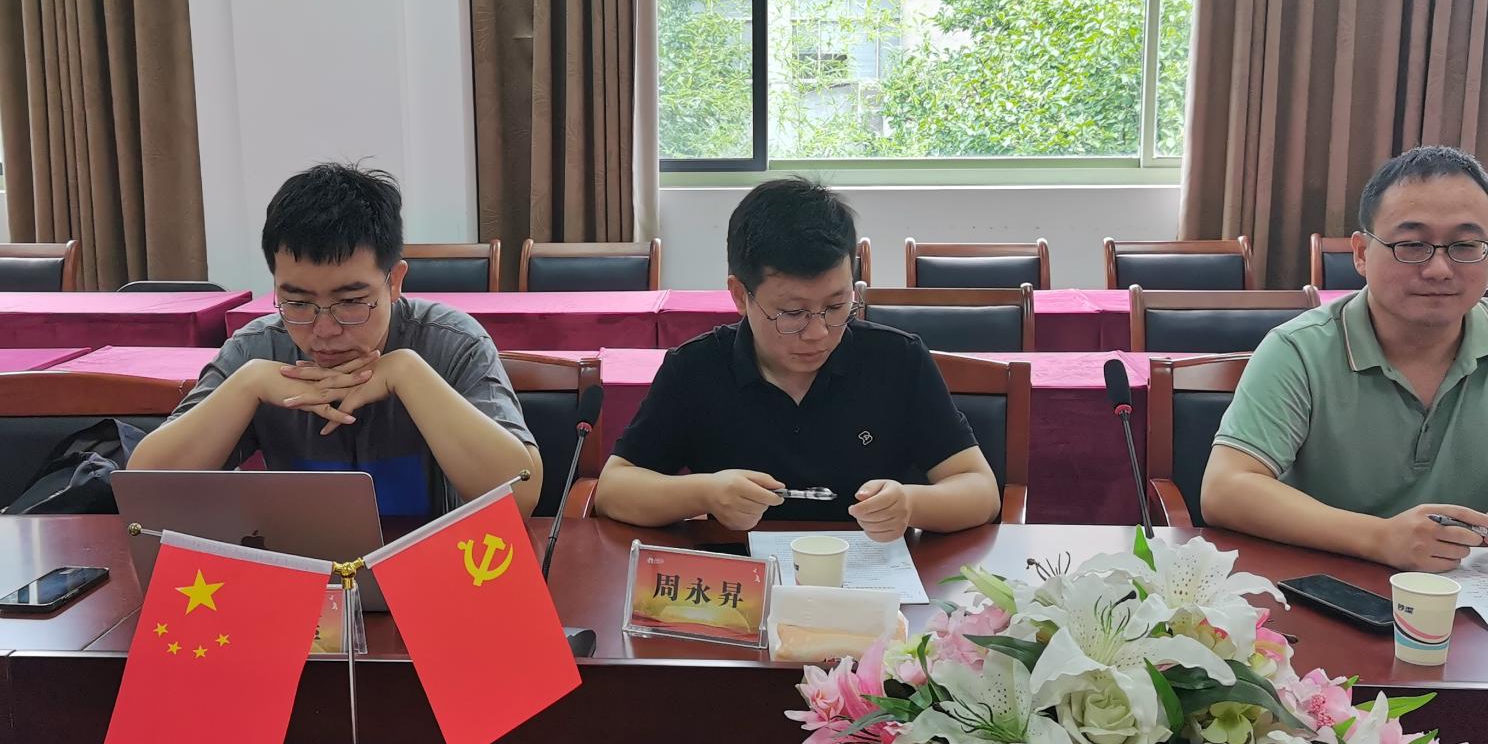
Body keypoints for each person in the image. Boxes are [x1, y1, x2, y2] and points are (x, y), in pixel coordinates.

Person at [1199, 146, 1488, 571]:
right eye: (1412, 245)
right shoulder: (1299, 348)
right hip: (1329, 582)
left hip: (1474, 593)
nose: (1439, 270)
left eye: (1465, 246)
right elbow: (1225, 487)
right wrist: (1379, 538)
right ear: (1361, 253)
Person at [594, 176, 1001, 541]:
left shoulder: (897, 360)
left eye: (837, 306)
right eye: (792, 313)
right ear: (739, 295)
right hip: (744, 580)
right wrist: (704, 493)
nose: (818, 332)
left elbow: (980, 490)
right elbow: (614, 490)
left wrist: (910, 504)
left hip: (871, 577)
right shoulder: (696, 368)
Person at [129, 163, 542, 515]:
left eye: (351, 302)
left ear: (394, 282)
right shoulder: (257, 349)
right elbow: (144, 494)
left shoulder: (450, 341)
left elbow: (520, 495)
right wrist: (248, 385)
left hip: (431, 566)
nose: (324, 331)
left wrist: (408, 373)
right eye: (297, 302)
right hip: (301, 569)